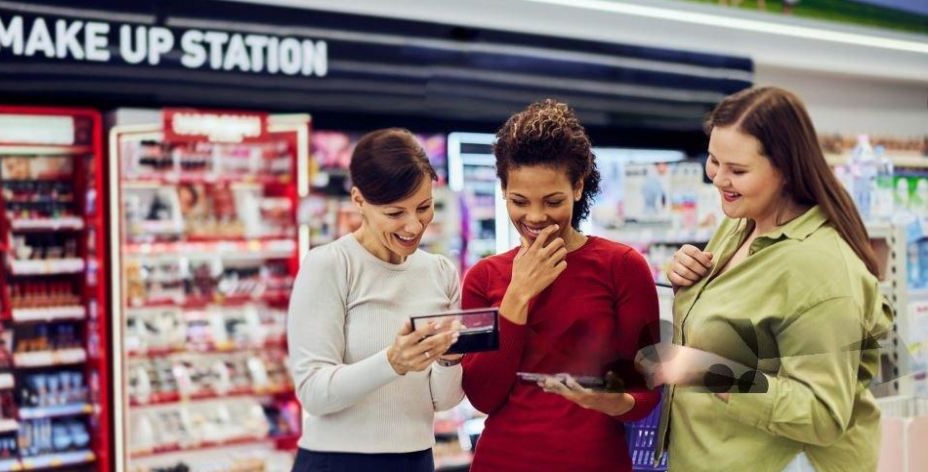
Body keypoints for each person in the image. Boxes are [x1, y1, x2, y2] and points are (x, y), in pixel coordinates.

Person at [660, 86, 892, 471]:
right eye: (714, 161)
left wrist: (711, 373)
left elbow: (822, 414)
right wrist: (689, 279)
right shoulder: (740, 226)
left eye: (737, 170)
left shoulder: (819, 267)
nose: (718, 179)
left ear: (785, 169)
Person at [461, 99, 661, 471]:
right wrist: (517, 296)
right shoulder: (483, 278)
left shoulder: (622, 267)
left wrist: (613, 401)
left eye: (552, 201)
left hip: (593, 459)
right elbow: (481, 396)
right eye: (520, 201)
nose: (535, 217)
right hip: (502, 460)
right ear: (503, 189)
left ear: (579, 187)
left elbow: (646, 388)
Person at [287, 128, 464, 472]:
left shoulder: (440, 272)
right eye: (395, 213)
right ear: (358, 201)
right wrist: (393, 362)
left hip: (417, 460)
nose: (413, 226)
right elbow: (313, 392)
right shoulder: (330, 265)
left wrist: (450, 359)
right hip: (337, 462)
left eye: (424, 207)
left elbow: (443, 400)